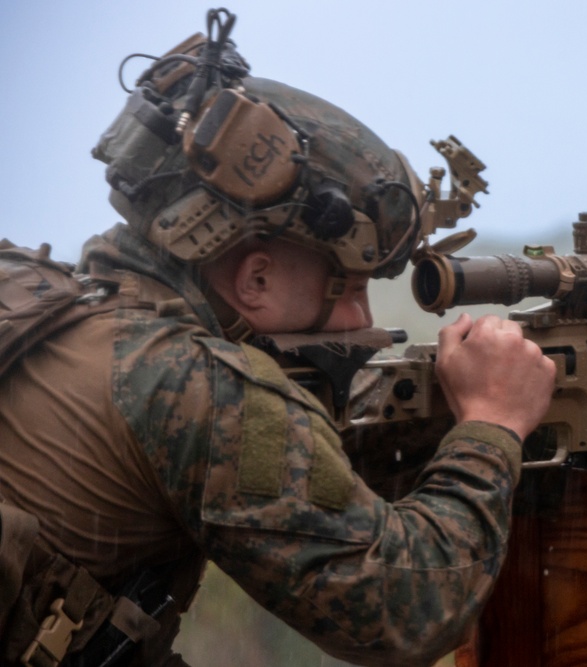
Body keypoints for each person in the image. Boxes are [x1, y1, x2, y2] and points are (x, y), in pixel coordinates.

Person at [0, 9, 555, 667]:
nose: (358, 320)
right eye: (347, 286)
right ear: (255, 278)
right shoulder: (199, 385)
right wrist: (492, 426)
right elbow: (401, 609)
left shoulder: (51, 302)